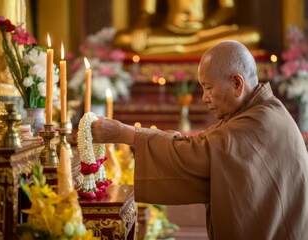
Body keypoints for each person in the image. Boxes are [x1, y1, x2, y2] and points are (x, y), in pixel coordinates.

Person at [91, 40, 308, 239]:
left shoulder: (257, 123)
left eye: (209, 88)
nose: (204, 98)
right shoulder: (260, 112)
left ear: (236, 84)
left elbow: (194, 155)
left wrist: (124, 134)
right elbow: (202, 148)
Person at [113, 0, 261, 55]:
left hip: (203, 31)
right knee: (123, 39)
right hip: (170, 32)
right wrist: (140, 27)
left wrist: (206, 25)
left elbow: (228, 8)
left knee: (253, 35)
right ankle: (189, 46)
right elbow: (147, 12)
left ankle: (182, 47)